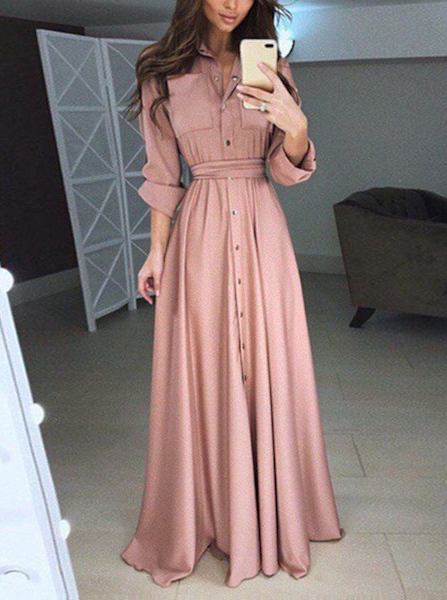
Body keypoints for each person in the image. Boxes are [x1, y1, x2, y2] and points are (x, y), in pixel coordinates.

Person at [120, 0, 345, 589]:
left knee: (271, 366)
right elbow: (162, 172)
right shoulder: (158, 67)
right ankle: (216, 512)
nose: (231, 4)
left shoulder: (272, 66)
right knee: (207, 368)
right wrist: (156, 252)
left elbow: (285, 168)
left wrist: (296, 126)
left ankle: (271, 511)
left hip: (262, 227)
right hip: (199, 230)